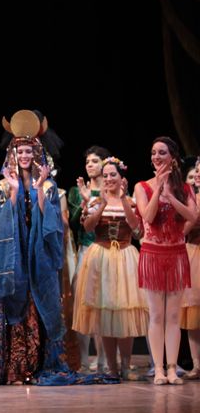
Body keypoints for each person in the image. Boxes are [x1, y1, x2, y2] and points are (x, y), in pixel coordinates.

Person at [0, 110, 67, 385]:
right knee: (14, 309)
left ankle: (40, 365)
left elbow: (53, 224)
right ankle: (15, 369)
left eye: (29, 152)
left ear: (37, 155)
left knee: (40, 305)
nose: (25, 157)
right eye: (20, 152)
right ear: (13, 156)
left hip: (38, 258)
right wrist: (16, 192)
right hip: (15, 259)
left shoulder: (50, 186)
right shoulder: (4, 186)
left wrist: (40, 188)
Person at [72, 157, 148, 380]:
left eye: (112, 175)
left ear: (121, 178)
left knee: (124, 312)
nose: (108, 179)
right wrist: (102, 204)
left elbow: (137, 230)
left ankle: (125, 365)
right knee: (105, 312)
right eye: (105, 176)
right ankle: (112, 368)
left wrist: (123, 200)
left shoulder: (131, 201)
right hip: (101, 257)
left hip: (124, 257)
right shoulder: (95, 202)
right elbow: (87, 226)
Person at [134, 136, 197, 385]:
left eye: (161, 152)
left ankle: (172, 368)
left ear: (172, 157)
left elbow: (192, 215)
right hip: (152, 254)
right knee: (156, 315)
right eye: (153, 153)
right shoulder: (142, 186)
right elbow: (147, 217)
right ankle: (158, 369)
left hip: (177, 253)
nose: (156, 157)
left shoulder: (184, 188)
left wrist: (171, 197)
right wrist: (158, 188)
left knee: (173, 316)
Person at [68, 146, 111, 373]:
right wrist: (85, 202)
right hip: (86, 250)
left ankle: (103, 359)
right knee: (82, 305)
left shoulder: (111, 189)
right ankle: (83, 359)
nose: (90, 165)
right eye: (88, 162)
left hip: (107, 251)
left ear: (105, 163)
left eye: (95, 161)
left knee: (104, 305)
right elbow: (74, 222)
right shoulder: (77, 191)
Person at [181, 156, 200, 379]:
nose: (197, 173)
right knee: (192, 312)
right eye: (196, 169)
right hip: (192, 252)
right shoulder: (187, 198)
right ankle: (196, 364)